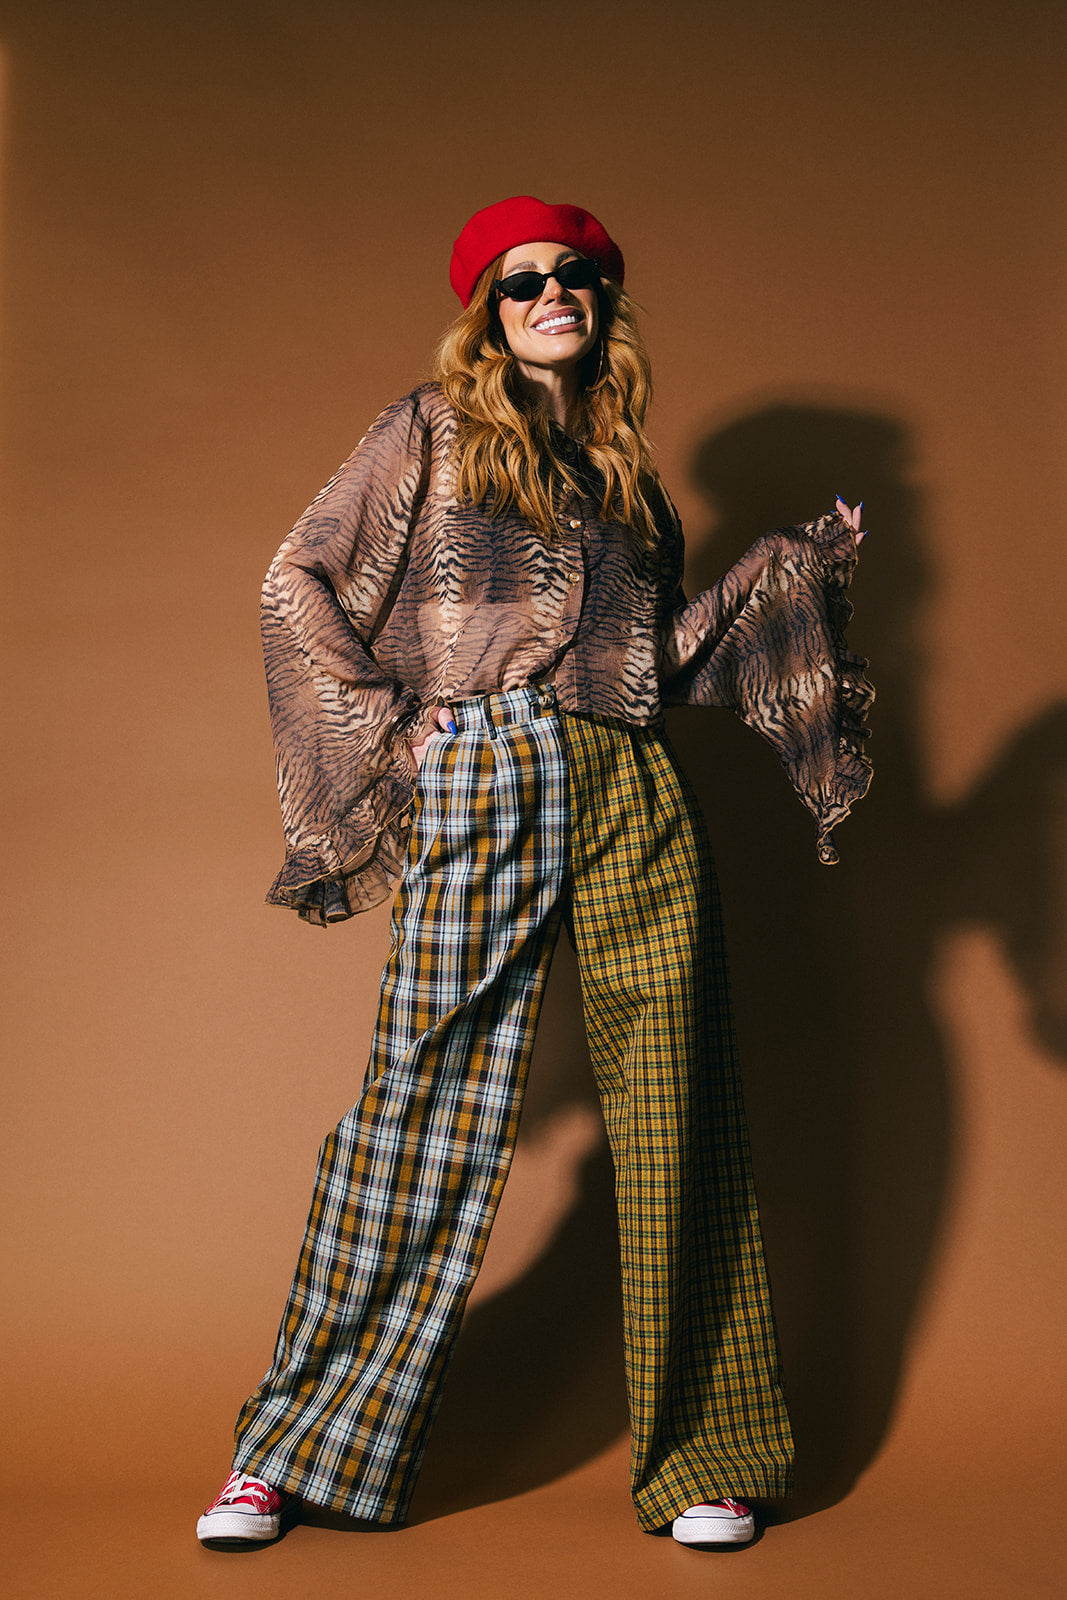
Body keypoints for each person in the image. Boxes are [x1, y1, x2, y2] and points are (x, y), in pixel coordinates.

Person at [195, 195, 873, 1552]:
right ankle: (293, 1452)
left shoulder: (632, 479)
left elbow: (656, 671)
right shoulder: (429, 433)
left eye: (574, 277)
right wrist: (401, 725)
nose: (551, 294)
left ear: (603, 304)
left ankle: (705, 1457)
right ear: (487, 317)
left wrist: (770, 578)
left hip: (634, 786)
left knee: (681, 1107)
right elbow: (296, 582)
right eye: (521, 284)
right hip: (488, 774)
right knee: (420, 1105)